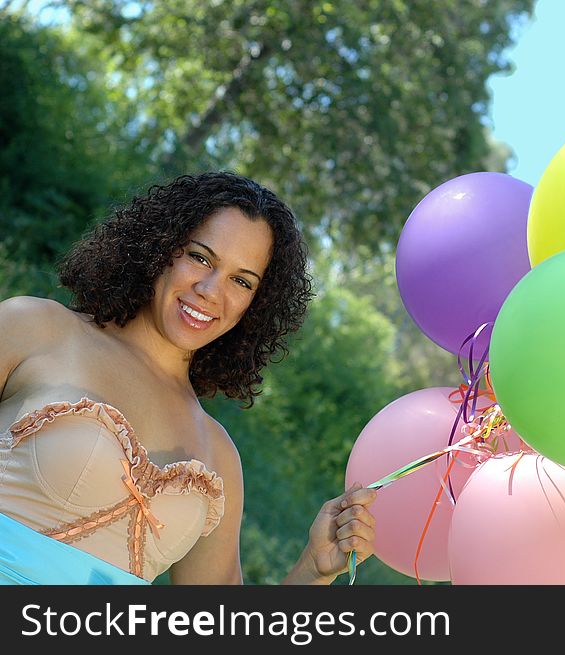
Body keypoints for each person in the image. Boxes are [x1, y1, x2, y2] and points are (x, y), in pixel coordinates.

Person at [0, 171, 377, 584]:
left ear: (256, 304)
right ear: (161, 246)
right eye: (200, 257)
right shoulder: (35, 328)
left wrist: (313, 569)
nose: (211, 290)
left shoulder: (218, 457)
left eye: (241, 280)